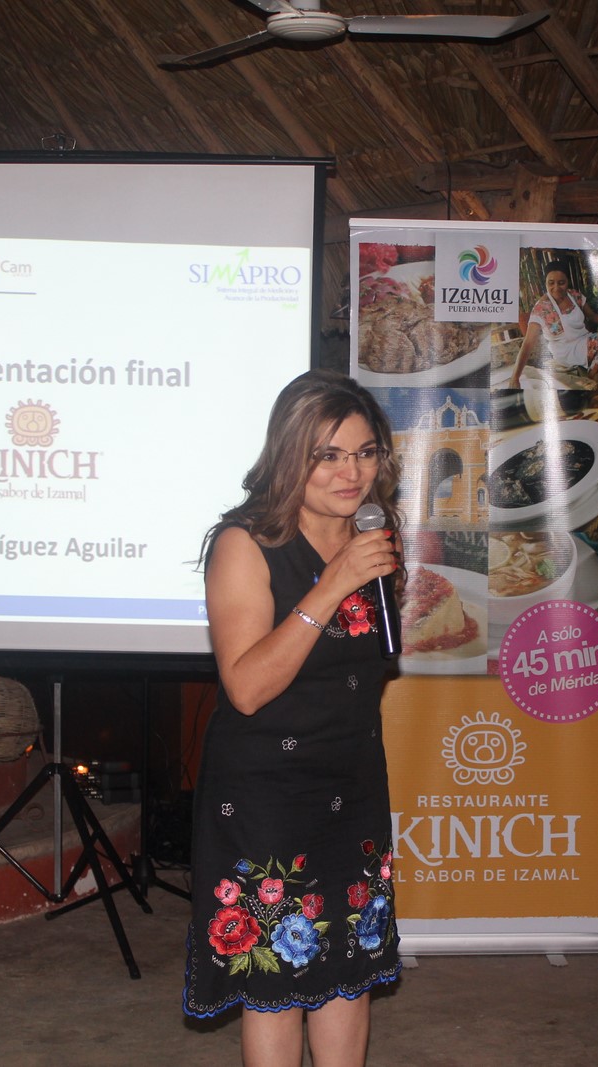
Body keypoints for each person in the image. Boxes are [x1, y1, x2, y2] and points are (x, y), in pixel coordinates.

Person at [184, 370, 403, 1066]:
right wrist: (331, 585)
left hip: (353, 782)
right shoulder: (245, 543)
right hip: (266, 796)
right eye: (328, 455)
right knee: (275, 978)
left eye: (365, 453)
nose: (351, 473)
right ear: (290, 455)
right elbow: (247, 687)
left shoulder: (373, 533)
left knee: (349, 965)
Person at [506, 260, 598, 387]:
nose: (556, 288)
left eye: (561, 283)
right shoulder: (541, 309)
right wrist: (515, 378)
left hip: (584, 340)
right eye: (551, 283)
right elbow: (528, 343)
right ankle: (590, 377)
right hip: (565, 350)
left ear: (568, 281)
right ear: (545, 283)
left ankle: (593, 377)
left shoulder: (574, 296)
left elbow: (592, 316)